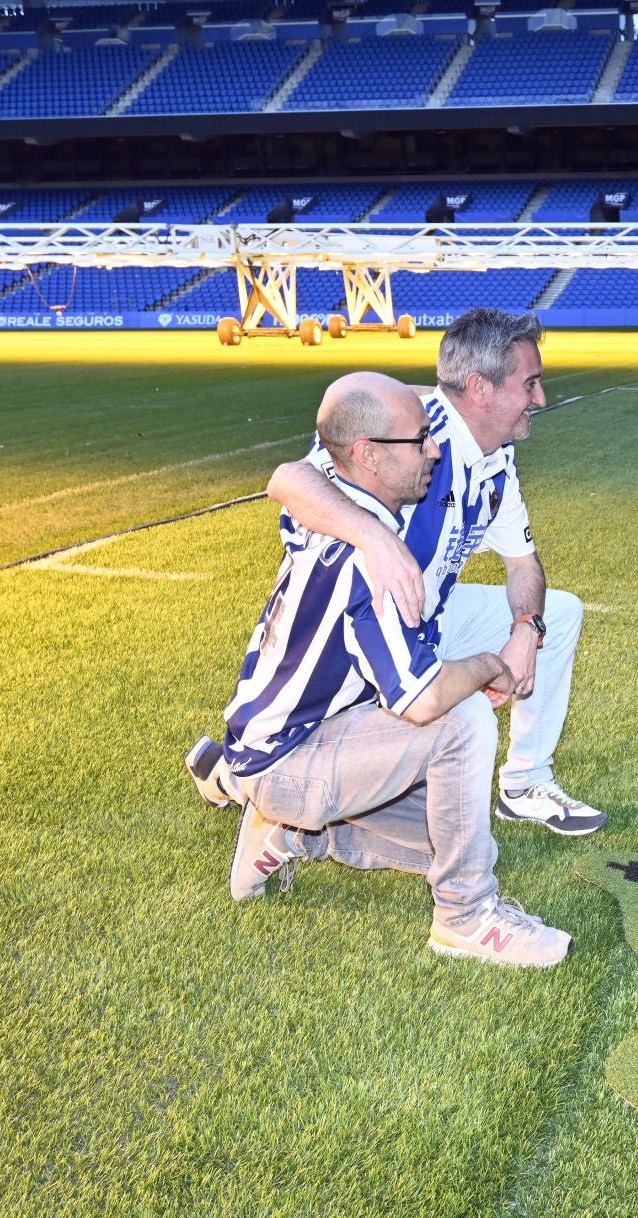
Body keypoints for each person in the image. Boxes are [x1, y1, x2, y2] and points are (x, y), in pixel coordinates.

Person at [190, 307, 606, 835]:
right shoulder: (407, 434)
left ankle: (524, 784)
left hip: (424, 615)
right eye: (530, 383)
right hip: (361, 623)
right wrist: (374, 536)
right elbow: (289, 480)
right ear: (480, 388)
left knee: (559, 612)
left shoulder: (496, 459)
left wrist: (526, 629)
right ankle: (241, 780)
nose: (540, 399)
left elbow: (524, 564)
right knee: (338, 724)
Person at [214, 371, 570, 967]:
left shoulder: (353, 509)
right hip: (289, 756)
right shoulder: (366, 551)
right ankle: (465, 916)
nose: (434, 449)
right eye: (420, 440)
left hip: (296, 738)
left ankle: (296, 831)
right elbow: (424, 701)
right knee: (461, 720)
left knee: (459, 835)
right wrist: (488, 666)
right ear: (369, 456)